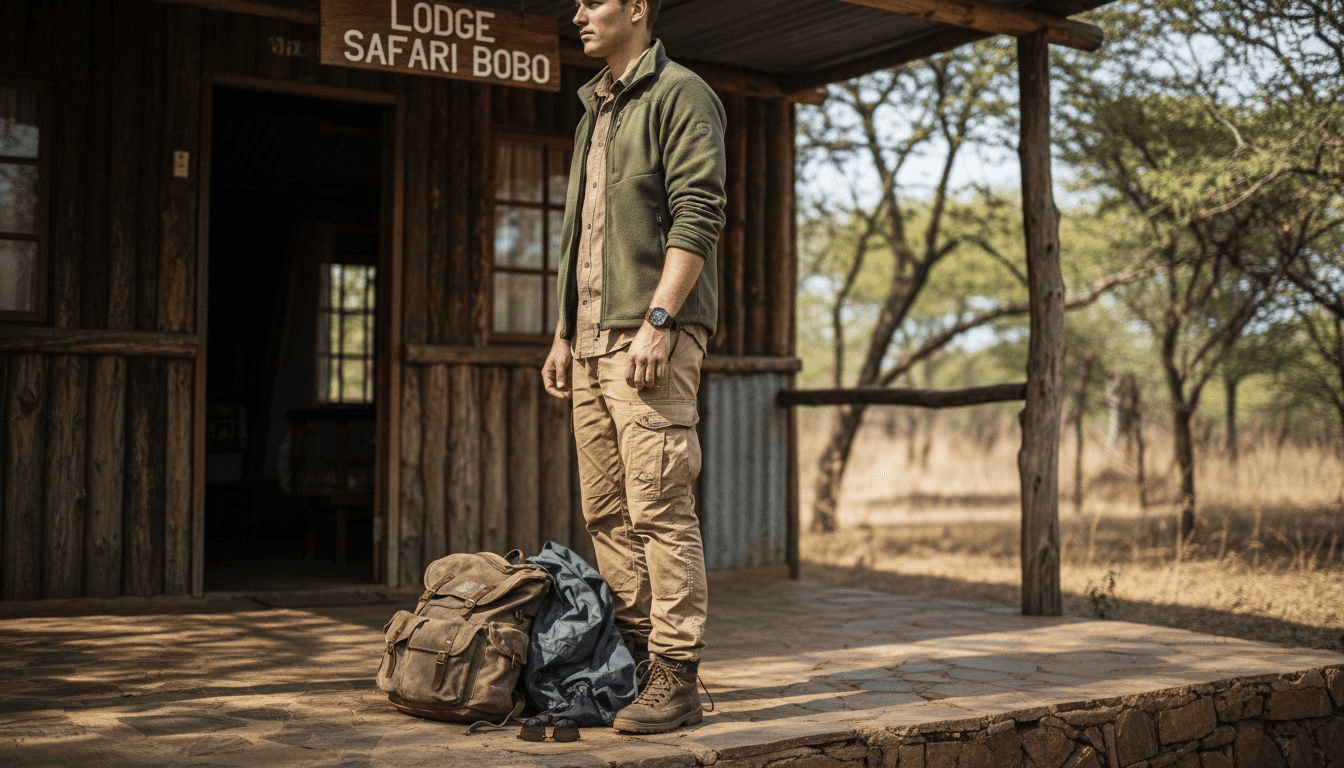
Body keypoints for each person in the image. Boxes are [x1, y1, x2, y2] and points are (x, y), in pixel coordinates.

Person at [541, 0, 726, 735]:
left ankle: (678, 676)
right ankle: (638, 665)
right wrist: (561, 332)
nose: (579, 13)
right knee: (607, 513)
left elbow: (698, 211)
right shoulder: (595, 110)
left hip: (649, 339)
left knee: (660, 509)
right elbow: (580, 237)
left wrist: (659, 320)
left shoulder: (681, 93)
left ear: (638, 8)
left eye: (593, 1)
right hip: (586, 342)